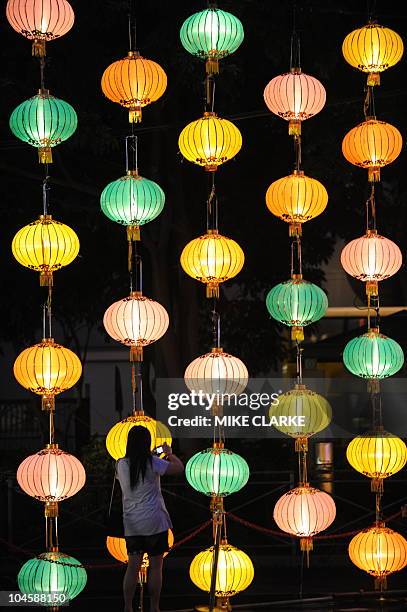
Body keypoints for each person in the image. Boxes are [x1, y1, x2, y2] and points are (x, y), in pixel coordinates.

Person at [116, 426, 184, 612]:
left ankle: (128, 607)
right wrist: (169, 453)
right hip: (155, 522)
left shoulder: (121, 464)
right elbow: (179, 468)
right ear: (147, 443)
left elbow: (135, 466)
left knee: (132, 568)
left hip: (132, 524)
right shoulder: (153, 462)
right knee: (156, 568)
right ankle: (154, 607)